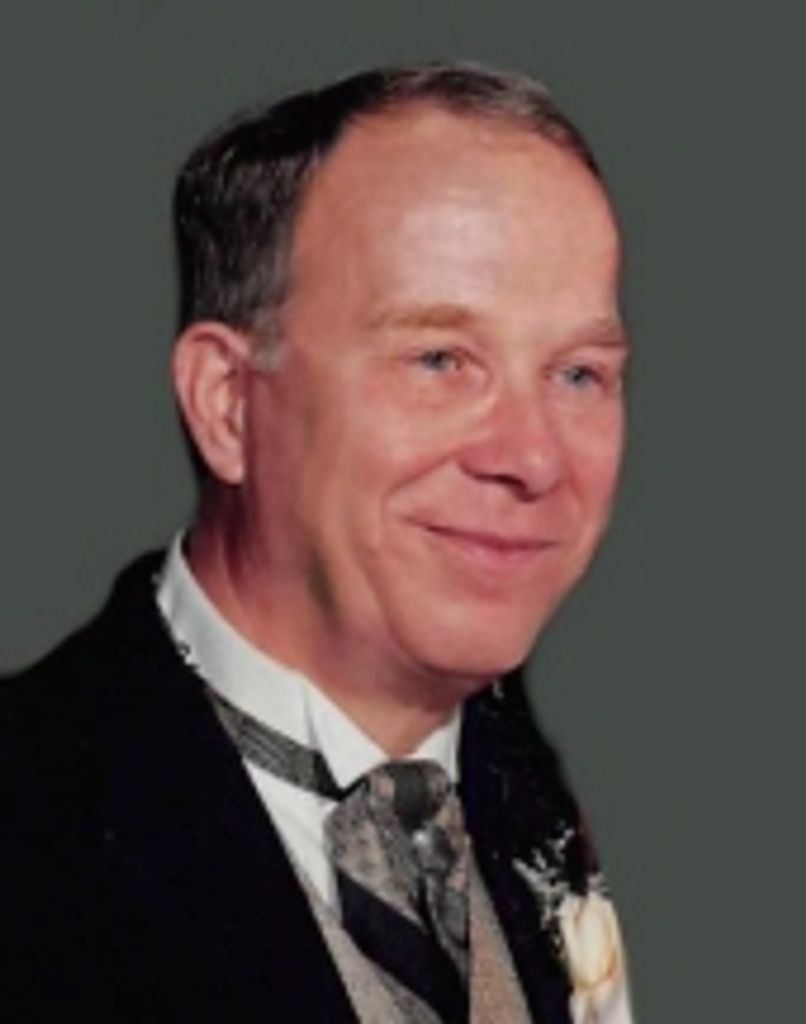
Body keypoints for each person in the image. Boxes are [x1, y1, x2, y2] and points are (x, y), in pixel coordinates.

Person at [1, 62, 634, 1023]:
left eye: (580, 374)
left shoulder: (540, 789)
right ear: (228, 404)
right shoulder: (31, 829)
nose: (534, 459)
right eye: (439, 360)